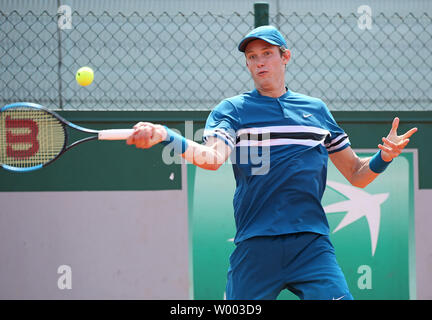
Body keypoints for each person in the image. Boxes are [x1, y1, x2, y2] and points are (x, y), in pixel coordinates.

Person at [126, 25, 418, 300]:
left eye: (267, 54)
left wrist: (384, 157)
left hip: (310, 243)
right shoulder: (233, 110)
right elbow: (212, 159)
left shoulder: (316, 110)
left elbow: (356, 174)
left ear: (285, 56)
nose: (259, 62)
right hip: (256, 244)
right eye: (252, 57)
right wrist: (167, 136)